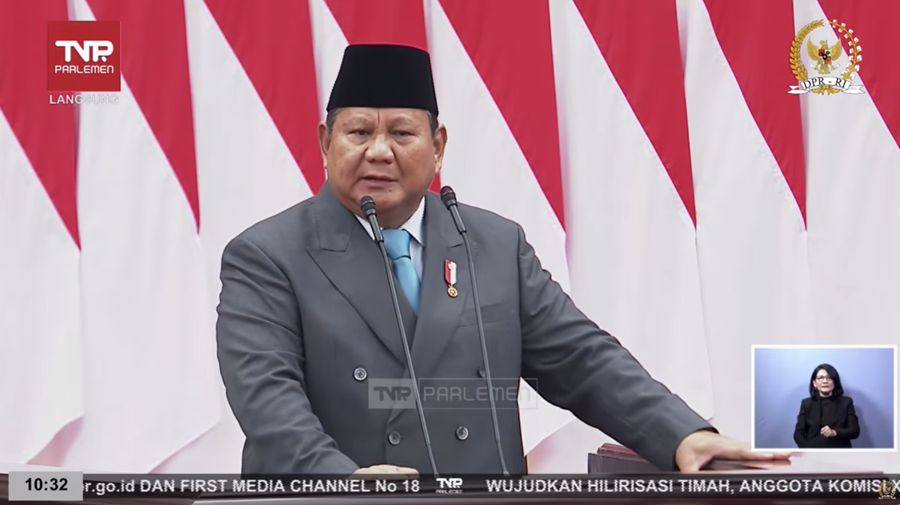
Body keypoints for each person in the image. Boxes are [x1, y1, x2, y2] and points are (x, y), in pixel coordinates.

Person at [216, 44, 788, 475]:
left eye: (402, 133)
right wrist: (340, 481)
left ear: (438, 146)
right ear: (325, 143)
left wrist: (681, 434)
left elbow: (581, 360)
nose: (380, 151)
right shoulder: (267, 256)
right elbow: (268, 402)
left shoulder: (492, 243)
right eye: (358, 132)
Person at [793, 363, 860, 448]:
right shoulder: (806, 404)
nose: (825, 381)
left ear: (835, 382)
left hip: (839, 450)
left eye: (829, 378)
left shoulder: (846, 402)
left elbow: (854, 431)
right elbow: (798, 434)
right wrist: (807, 448)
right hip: (813, 450)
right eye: (820, 378)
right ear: (814, 383)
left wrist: (834, 432)